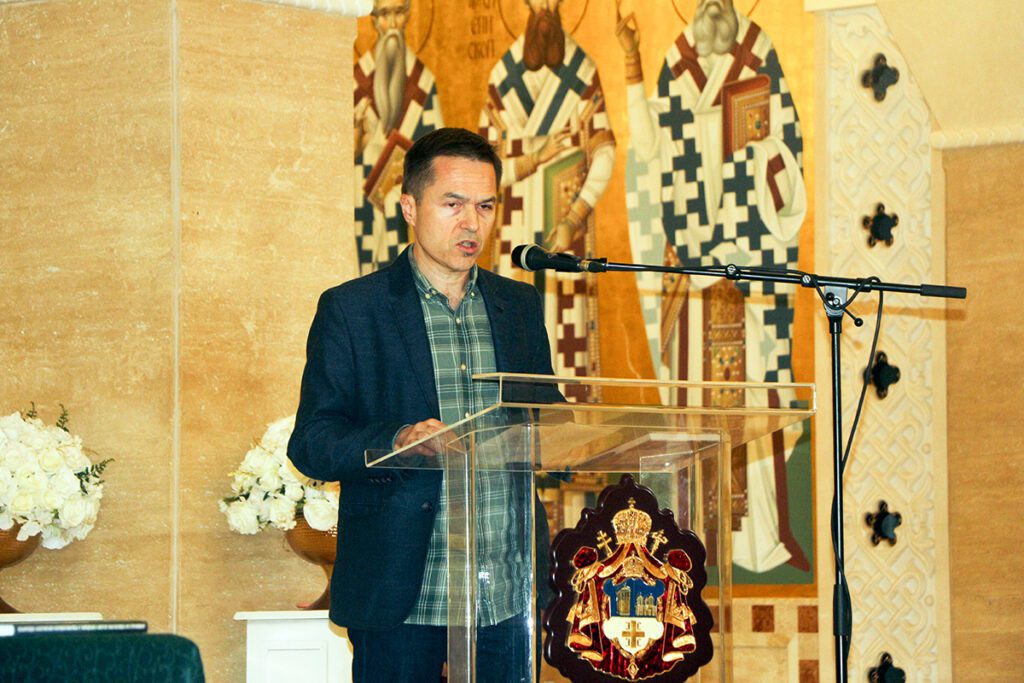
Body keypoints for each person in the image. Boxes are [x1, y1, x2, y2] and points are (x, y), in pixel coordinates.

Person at [288, 128, 555, 682]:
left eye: (485, 206)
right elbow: (313, 441)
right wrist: (396, 439)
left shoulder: (519, 305)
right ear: (410, 207)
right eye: (453, 204)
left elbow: (546, 415)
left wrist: (567, 433)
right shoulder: (353, 310)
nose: (471, 223)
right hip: (403, 590)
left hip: (508, 592)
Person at [616, 0, 809, 573]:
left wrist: (758, 169)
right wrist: (631, 64)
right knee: (689, 400)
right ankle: (691, 539)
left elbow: (787, 158)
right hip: (687, 264)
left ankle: (756, 539)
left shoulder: (759, 56)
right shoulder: (676, 65)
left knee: (753, 391)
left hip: (742, 264)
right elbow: (648, 151)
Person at [479, 0, 615, 391]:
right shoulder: (502, 75)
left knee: (566, 337)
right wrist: (534, 158)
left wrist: (574, 217)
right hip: (515, 228)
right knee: (513, 337)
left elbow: (605, 151)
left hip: (564, 227)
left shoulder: (583, 71)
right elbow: (480, 168)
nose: (544, 5)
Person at [354, 0, 443, 275]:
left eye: (398, 13)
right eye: (384, 14)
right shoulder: (355, 81)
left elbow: (438, 156)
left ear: (407, 16)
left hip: (406, 208)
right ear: (373, 20)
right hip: (360, 207)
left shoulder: (424, 82)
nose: (392, 23)